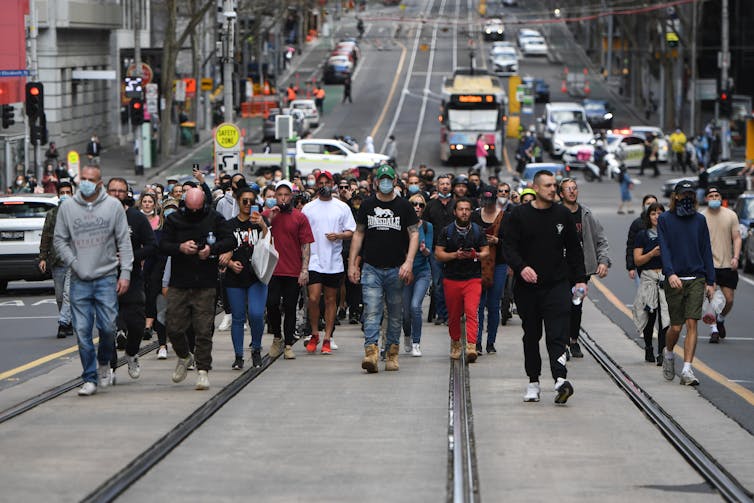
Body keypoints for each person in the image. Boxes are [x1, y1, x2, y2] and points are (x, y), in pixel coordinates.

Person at [500, 170, 587, 404]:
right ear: (536, 188)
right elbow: (508, 247)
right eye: (548, 185)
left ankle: (560, 379)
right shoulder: (518, 215)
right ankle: (533, 382)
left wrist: (580, 279)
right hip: (528, 288)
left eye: (554, 185)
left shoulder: (563, 214)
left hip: (557, 285)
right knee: (531, 335)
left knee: (557, 333)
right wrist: (521, 267)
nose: (553, 189)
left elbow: (575, 250)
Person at [53, 165, 133, 396]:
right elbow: (60, 241)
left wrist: (125, 273)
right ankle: (89, 377)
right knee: (82, 330)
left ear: (100, 183)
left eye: (91, 179)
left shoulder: (113, 206)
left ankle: (104, 361)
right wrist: (75, 263)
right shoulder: (67, 207)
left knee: (108, 327)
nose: (86, 182)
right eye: (83, 178)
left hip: (106, 277)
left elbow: (124, 242)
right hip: (79, 279)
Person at [159, 188, 235, 390]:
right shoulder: (174, 219)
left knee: (203, 329)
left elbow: (230, 239)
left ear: (203, 205)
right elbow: (162, 244)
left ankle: (203, 370)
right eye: (189, 208)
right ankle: (184, 356)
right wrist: (180, 248)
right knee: (172, 326)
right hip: (179, 281)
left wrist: (212, 249)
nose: (193, 212)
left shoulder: (214, 218)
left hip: (205, 282)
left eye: (197, 209)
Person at [349, 164, 419, 373]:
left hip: (396, 268)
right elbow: (358, 234)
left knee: (395, 313)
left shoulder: (404, 206)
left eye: (390, 178)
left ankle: (392, 353)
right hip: (371, 268)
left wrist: (409, 262)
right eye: (383, 179)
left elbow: (414, 234)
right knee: (371, 310)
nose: (386, 182)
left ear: (395, 181)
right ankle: (370, 353)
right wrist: (353, 263)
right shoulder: (368, 205)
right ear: (376, 182)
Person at [657, 181, 715, 386]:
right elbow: (664, 248)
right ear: (676, 197)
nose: (688, 197)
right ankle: (669, 353)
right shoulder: (665, 219)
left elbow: (706, 249)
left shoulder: (700, 220)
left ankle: (688, 369)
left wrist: (711, 280)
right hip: (675, 279)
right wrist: (670, 273)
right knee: (675, 327)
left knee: (692, 323)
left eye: (691, 194)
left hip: (697, 278)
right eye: (684, 194)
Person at [106, 178, 158, 383]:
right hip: (105, 278)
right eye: (113, 190)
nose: (117, 194)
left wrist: (130, 255)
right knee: (107, 326)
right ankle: (109, 366)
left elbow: (152, 245)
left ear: (127, 193)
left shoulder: (136, 218)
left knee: (137, 324)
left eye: (121, 190)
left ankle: (132, 353)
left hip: (133, 278)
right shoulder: (98, 217)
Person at [302, 171, 356, 354]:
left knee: (331, 300)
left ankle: (327, 337)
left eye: (327, 182)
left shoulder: (342, 207)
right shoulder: (308, 208)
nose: (324, 185)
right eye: (321, 182)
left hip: (333, 261)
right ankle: (315, 332)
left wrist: (339, 236)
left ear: (332, 183)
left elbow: (351, 231)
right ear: (317, 185)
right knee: (314, 298)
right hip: (314, 260)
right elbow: (302, 234)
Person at [559, 177, 610, 358]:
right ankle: (563, 342)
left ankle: (574, 340)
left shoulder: (586, 214)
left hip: (581, 270)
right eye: (568, 189)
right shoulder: (555, 213)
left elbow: (601, 240)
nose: (572, 191)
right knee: (562, 305)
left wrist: (603, 261)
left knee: (576, 305)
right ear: (561, 193)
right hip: (559, 269)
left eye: (574, 188)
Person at [264, 180, 315, 360]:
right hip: (272, 270)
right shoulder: (268, 215)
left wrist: (304, 269)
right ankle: (277, 337)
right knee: (271, 304)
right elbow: (258, 231)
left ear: (291, 196)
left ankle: (287, 345)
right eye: (280, 195)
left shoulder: (299, 217)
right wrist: (270, 217)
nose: (283, 198)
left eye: (286, 195)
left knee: (290, 307)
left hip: (292, 270)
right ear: (275, 196)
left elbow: (305, 245)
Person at [220, 186, 270, 369]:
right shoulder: (229, 225)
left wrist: (263, 225)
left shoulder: (260, 222)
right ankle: (238, 355)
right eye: (245, 201)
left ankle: (256, 349)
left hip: (257, 275)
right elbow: (221, 249)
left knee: (256, 314)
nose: (248, 205)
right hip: (235, 276)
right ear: (238, 202)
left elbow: (269, 243)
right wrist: (231, 263)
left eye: (252, 201)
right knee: (238, 317)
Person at [435, 197, 489, 362]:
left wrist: (476, 255)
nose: (464, 212)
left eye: (467, 209)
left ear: (471, 211)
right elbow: (438, 254)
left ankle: (471, 345)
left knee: (472, 312)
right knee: (454, 315)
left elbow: (486, 252)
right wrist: (455, 255)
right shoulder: (447, 231)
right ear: (455, 212)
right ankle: (456, 342)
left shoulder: (478, 231)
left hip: (473, 278)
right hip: (452, 279)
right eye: (461, 209)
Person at [701, 187, 741, 343]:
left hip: (727, 264)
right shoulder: (701, 217)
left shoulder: (730, 215)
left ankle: (721, 319)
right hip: (708, 265)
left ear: (721, 197)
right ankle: (714, 330)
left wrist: (736, 257)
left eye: (717, 195)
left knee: (729, 299)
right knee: (711, 296)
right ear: (706, 199)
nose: (714, 197)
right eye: (711, 196)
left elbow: (737, 238)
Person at [632, 202, 669, 364]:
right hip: (648, 279)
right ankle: (648, 347)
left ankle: (662, 351)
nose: (656, 216)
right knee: (650, 315)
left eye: (660, 213)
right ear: (648, 217)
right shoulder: (642, 235)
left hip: (665, 279)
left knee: (665, 317)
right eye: (653, 213)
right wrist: (652, 254)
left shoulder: (669, 234)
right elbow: (638, 260)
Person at [471, 189, 506, 354]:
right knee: (478, 305)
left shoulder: (504, 217)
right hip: (478, 264)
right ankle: (476, 342)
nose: (488, 205)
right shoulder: (475, 216)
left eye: (490, 202)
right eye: (485, 202)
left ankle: (490, 342)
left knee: (493, 305)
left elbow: (512, 242)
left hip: (498, 264)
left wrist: (497, 240)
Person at [38, 181, 74, 338]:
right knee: (60, 296)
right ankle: (68, 321)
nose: (65, 195)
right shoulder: (52, 214)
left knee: (68, 293)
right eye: (63, 193)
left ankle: (62, 323)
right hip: (57, 260)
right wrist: (43, 257)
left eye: (68, 192)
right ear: (59, 195)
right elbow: (45, 236)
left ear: (73, 194)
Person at [402, 194, 433, 357]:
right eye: (414, 204)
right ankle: (407, 335)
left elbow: (430, 251)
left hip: (422, 272)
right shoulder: (402, 225)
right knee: (405, 313)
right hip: (406, 273)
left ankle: (416, 342)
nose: (418, 207)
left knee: (415, 306)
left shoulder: (428, 227)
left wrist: (425, 250)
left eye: (421, 205)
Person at [423, 174, 455, 325]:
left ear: (451, 186)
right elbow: (426, 228)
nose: (445, 186)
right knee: (437, 283)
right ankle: (442, 314)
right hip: (435, 250)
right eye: (442, 184)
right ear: (437, 186)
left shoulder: (456, 204)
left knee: (452, 283)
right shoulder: (430, 206)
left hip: (453, 251)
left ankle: (452, 314)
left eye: (447, 183)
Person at [625, 194, 659, 285]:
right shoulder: (637, 224)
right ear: (643, 206)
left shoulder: (663, 223)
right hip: (642, 269)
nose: (650, 205)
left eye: (653, 203)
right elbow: (630, 246)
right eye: (648, 203)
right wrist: (631, 267)